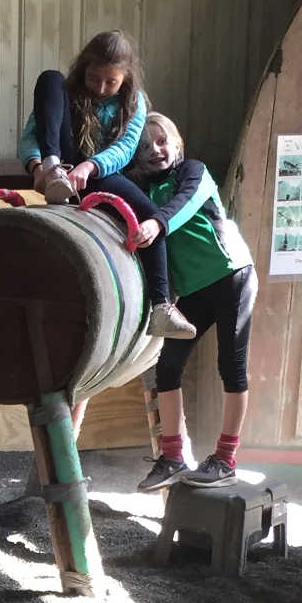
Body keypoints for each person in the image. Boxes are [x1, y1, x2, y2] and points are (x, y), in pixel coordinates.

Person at [16, 30, 194, 339]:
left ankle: (161, 306)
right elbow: (34, 132)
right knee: (49, 79)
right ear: (84, 69)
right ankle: (53, 169)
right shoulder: (68, 91)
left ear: (125, 78)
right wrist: (37, 166)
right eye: (94, 79)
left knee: (151, 216)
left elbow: (125, 149)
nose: (100, 88)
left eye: (110, 82)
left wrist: (92, 165)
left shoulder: (135, 102)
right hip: (61, 165)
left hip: (101, 173)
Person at [125, 113, 259, 492]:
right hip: (196, 290)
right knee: (167, 366)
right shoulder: (144, 188)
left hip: (232, 276)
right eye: (146, 146)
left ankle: (226, 459)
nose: (155, 150)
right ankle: (172, 457)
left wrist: (156, 224)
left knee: (231, 367)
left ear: (178, 143)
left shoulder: (195, 172)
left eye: (162, 141)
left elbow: (182, 205)